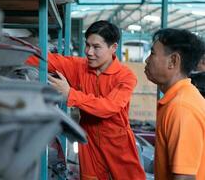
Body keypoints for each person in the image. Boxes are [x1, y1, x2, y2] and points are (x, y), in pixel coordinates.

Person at [26, 20, 145, 180]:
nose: (89, 52)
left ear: (113, 48)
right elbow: (45, 60)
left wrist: (70, 94)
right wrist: (11, 53)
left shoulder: (125, 77)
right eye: (87, 45)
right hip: (89, 141)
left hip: (118, 142)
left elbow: (109, 107)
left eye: (96, 47)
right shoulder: (79, 67)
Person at [144, 28, 205, 180]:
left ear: (173, 61)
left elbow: (184, 177)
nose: (146, 60)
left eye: (152, 53)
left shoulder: (181, 108)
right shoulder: (180, 99)